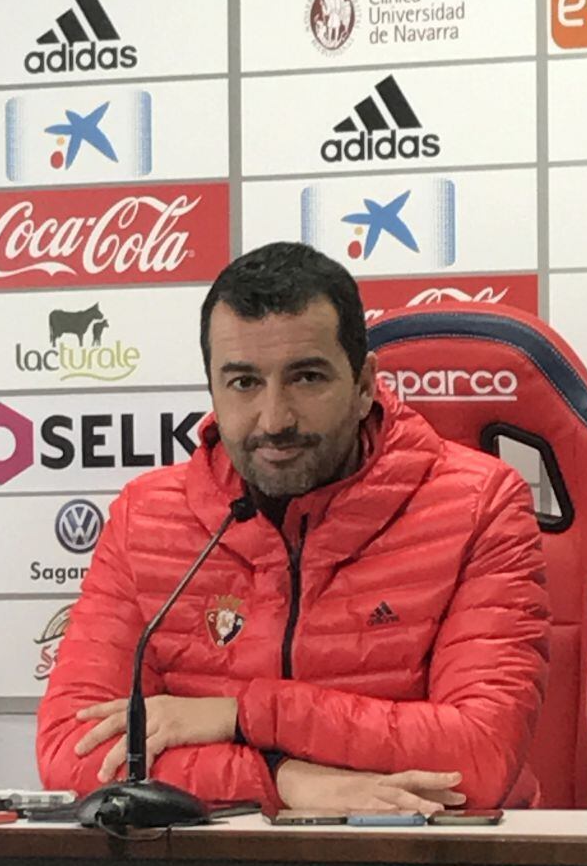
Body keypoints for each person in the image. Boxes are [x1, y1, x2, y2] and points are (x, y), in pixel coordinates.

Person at [37, 242, 550, 812]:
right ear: (212, 387)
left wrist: (242, 713)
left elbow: (475, 760)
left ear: (364, 386)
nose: (275, 418)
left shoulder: (479, 504)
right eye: (243, 383)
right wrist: (282, 781)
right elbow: (72, 752)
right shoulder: (146, 518)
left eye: (306, 378)